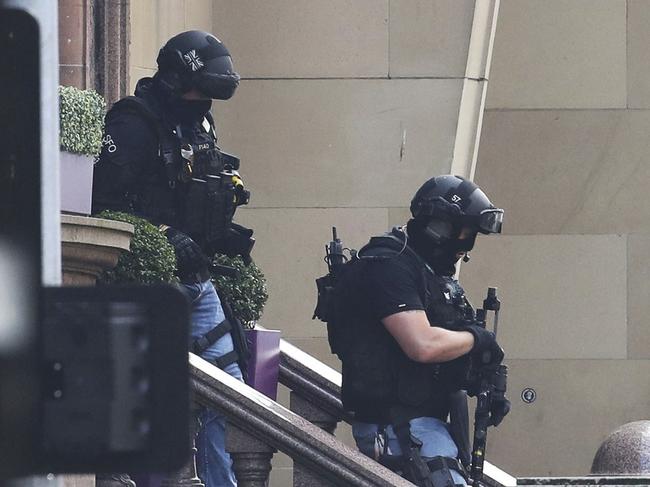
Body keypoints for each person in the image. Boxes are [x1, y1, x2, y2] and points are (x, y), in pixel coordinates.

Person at [92, 30, 254, 487]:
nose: (202, 102)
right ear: (173, 79)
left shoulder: (199, 125)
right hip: (144, 285)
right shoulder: (133, 124)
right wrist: (162, 235)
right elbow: (99, 203)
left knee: (232, 394)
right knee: (140, 396)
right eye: (198, 91)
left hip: (198, 280)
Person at [327, 175, 510, 487]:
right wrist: (478, 339)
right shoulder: (388, 265)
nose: (465, 245)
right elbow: (421, 344)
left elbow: (444, 342)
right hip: (397, 424)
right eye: (464, 233)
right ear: (439, 226)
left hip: (424, 421)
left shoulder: (424, 270)